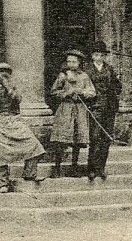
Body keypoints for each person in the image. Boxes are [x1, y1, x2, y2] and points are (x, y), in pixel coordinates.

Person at [0, 62, 45, 192]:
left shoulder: (14, 88)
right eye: (0, 72)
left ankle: (29, 173)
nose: (3, 75)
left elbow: (18, 99)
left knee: (34, 144)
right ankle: (3, 183)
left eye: (6, 72)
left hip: (14, 120)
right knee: (0, 153)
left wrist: (8, 87)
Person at [48, 51, 95, 179]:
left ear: (79, 63)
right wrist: (66, 93)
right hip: (66, 108)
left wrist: (82, 92)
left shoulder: (84, 76)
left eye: (74, 62)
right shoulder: (63, 76)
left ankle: (74, 168)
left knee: (77, 140)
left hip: (79, 109)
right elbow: (53, 92)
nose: (71, 64)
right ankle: (57, 168)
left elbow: (92, 92)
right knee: (61, 139)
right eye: (69, 61)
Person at [87, 45, 123, 182]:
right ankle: (92, 169)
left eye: (102, 55)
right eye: (96, 54)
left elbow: (117, 85)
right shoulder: (87, 69)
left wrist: (113, 94)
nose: (99, 57)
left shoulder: (109, 69)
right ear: (92, 56)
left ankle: (101, 168)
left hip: (109, 107)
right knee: (95, 137)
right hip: (94, 107)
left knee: (106, 138)